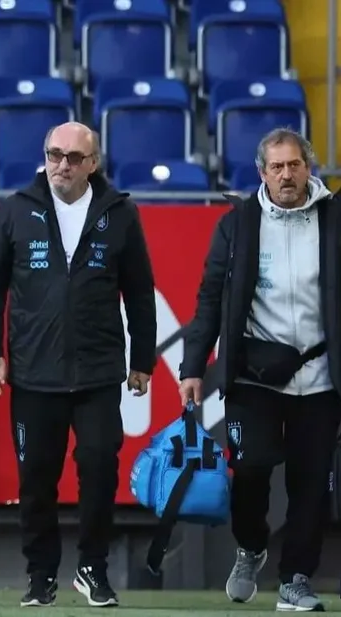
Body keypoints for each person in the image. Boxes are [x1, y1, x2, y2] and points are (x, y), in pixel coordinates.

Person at [0, 122, 157, 608]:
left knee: (99, 470)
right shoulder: (15, 209)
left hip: (98, 372)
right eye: (55, 154)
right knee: (36, 479)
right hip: (34, 373)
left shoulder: (119, 214)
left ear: (93, 164)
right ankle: (40, 574)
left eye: (74, 157)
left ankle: (92, 568)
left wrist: (143, 359)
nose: (62, 165)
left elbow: (139, 291)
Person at [179, 128, 341, 612]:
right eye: (277, 167)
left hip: (320, 376)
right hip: (253, 373)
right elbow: (210, 298)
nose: (287, 175)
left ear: (308, 167)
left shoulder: (334, 219)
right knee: (250, 468)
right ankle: (250, 547)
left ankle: (295, 579)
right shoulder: (238, 223)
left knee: (311, 484)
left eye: (294, 165)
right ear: (262, 173)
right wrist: (193, 366)